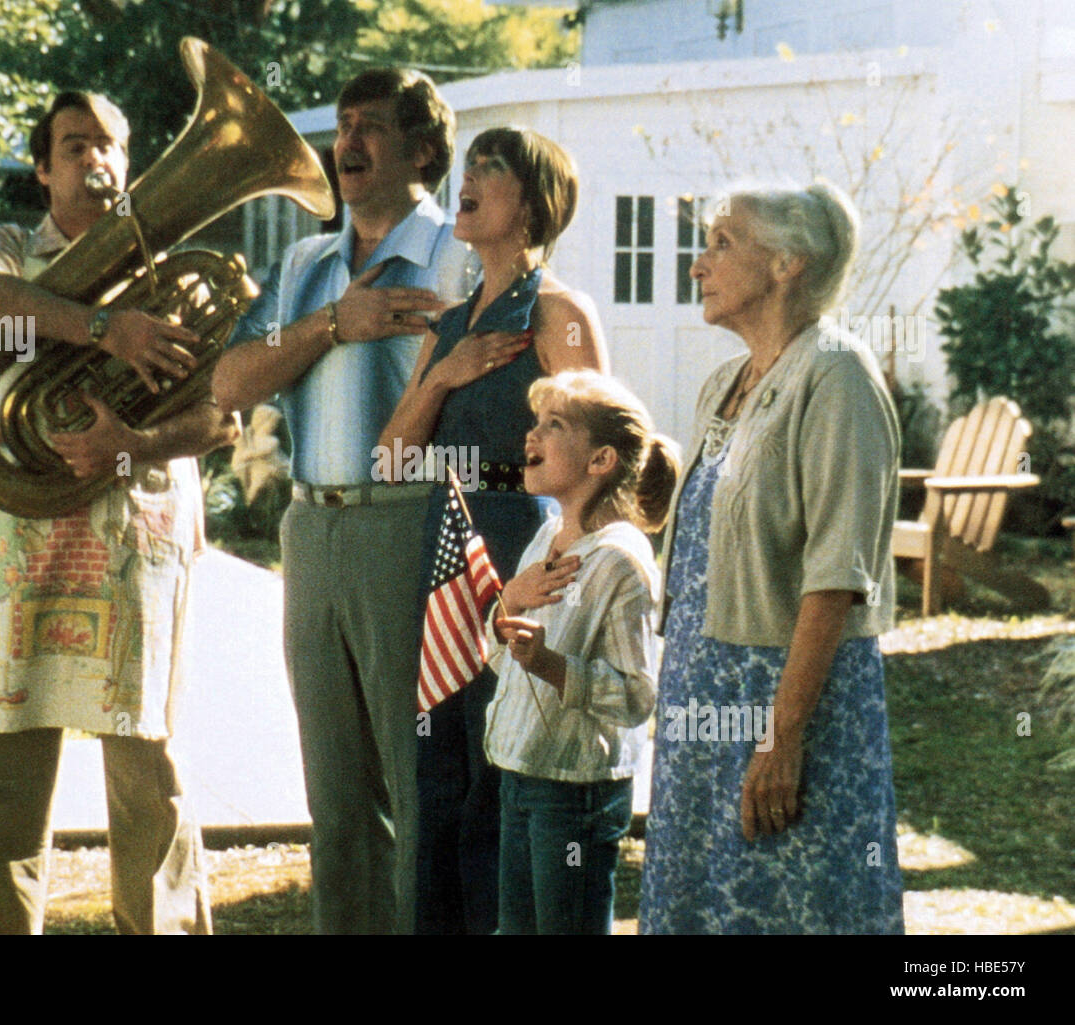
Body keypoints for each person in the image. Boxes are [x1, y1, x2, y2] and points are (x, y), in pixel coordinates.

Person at [0, 91, 223, 934]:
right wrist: (104, 330)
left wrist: (126, 445)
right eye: (74, 147)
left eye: (109, 145)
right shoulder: (6, 247)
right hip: (15, 539)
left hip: (131, 540)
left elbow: (222, 417)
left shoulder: (171, 267)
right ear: (43, 168)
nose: (95, 161)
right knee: (0, 766)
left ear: (130, 162)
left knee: (147, 766)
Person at [212, 68, 474, 934]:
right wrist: (333, 323)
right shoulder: (306, 260)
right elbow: (229, 381)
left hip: (411, 522)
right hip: (310, 527)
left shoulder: (457, 252)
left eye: (371, 126)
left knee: (417, 777)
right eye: (344, 125)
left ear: (425, 150)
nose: (347, 143)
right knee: (334, 789)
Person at [637, 180, 905, 934]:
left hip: (782, 704)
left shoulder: (836, 374)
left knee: (795, 905)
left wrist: (781, 737)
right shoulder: (726, 384)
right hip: (703, 703)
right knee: (700, 902)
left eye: (723, 241)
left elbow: (836, 577)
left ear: (789, 262)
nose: (698, 264)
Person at [375, 127, 607, 934]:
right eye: (467, 165)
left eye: (492, 168)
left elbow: (602, 454)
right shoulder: (449, 326)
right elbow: (392, 461)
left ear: (535, 204)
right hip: (446, 553)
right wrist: (445, 372)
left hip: (524, 549)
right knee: (439, 777)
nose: (467, 179)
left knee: (506, 777)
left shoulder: (557, 311)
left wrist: (570, 567)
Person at [482, 369, 677, 934]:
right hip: (520, 769)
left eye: (554, 425)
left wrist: (551, 664)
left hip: (576, 791)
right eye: (536, 422)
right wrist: (506, 608)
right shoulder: (546, 538)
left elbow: (638, 697)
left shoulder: (620, 561)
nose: (531, 436)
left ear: (600, 461)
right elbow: (505, 657)